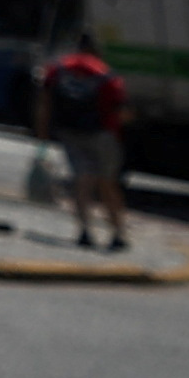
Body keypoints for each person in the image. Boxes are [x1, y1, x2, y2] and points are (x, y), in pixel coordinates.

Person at [37, 30, 133, 252]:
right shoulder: (105, 73)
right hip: (103, 134)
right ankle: (117, 234)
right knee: (108, 183)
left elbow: (44, 102)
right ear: (96, 50)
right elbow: (122, 111)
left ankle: (84, 232)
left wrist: (42, 132)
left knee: (82, 180)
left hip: (70, 132)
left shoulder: (58, 69)